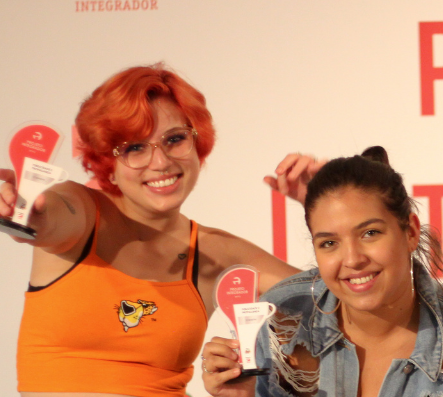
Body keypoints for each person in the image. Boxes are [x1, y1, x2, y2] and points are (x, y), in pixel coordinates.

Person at [0, 64, 299, 396]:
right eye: (134, 148)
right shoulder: (81, 208)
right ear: (107, 165)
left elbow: (330, 301)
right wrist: (25, 211)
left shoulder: (219, 251)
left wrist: (321, 202)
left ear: (197, 146)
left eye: (175, 139)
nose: (160, 162)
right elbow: (49, 217)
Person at [200, 147, 443, 397]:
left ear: (411, 232)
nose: (352, 259)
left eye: (370, 233)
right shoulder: (280, 316)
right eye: (329, 243)